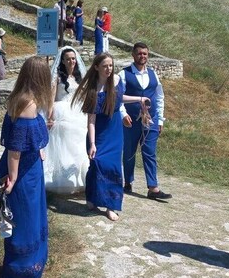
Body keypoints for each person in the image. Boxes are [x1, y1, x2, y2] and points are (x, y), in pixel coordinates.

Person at [0, 56, 52, 278]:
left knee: (31, 219)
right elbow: (15, 149)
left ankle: (29, 267)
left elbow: (28, 139)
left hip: (31, 169)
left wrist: (38, 148)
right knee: (21, 223)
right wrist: (13, 177)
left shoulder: (27, 99)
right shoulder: (27, 104)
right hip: (22, 173)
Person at [73, 53, 149, 221]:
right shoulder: (93, 90)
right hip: (98, 133)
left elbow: (120, 99)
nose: (109, 69)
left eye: (111, 65)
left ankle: (110, 206)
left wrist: (139, 99)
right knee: (97, 165)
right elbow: (91, 120)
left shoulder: (116, 80)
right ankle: (92, 197)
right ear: (96, 67)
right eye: (105, 66)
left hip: (115, 131)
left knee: (113, 168)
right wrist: (92, 143)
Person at [121, 42, 170, 200]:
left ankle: (153, 187)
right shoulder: (124, 74)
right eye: (139, 53)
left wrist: (160, 119)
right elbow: (118, 97)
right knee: (129, 152)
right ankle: (128, 181)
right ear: (133, 55)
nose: (142, 56)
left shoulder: (153, 74)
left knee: (149, 152)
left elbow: (160, 96)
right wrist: (123, 115)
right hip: (131, 120)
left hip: (151, 120)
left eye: (145, 54)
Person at [43, 47, 89, 193]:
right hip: (62, 112)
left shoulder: (79, 77)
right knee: (63, 147)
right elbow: (51, 98)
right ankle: (61, 178)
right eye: (68, 59)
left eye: (73, 58)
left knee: (79, 146)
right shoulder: (57, 77)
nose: (71, 61)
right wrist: (50, 116)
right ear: (62, 61)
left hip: (78, 113)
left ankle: (80, 178)